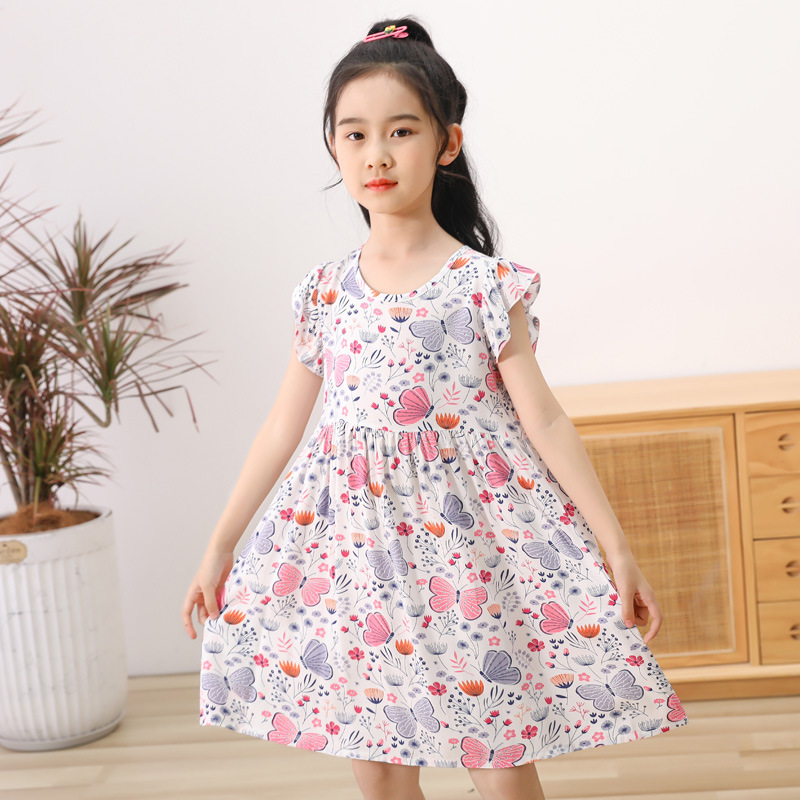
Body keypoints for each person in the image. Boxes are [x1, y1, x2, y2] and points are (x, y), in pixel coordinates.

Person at [181, 15, 689, 800]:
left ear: (447, 143)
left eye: (401, 131)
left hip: (467, 559)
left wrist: (615, 547)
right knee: (381, 774)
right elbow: (283, 427)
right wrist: (219, 547)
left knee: (499, 765)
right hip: (356, 563)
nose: (376, 154)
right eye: (354, 134)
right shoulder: (324, 293)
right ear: (333, 148)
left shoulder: (485, 285)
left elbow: (545, 421)